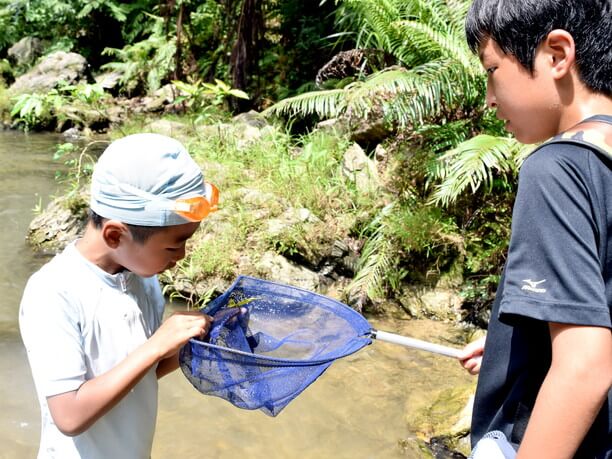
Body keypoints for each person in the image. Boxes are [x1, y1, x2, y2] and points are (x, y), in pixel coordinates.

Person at [457, 0, 612, 457]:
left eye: (491, 70)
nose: (488, 98)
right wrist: (523, 342)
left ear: (557, 55)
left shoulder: (558, 169)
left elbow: (584, 366)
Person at [19, 133, 216, 458]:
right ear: (115, 234)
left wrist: (190, 343)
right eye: (173, 244)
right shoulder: (53, 292)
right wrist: (157, 344)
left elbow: (142, 371)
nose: (181, 255)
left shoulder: (144, 281)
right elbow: (69, 415)